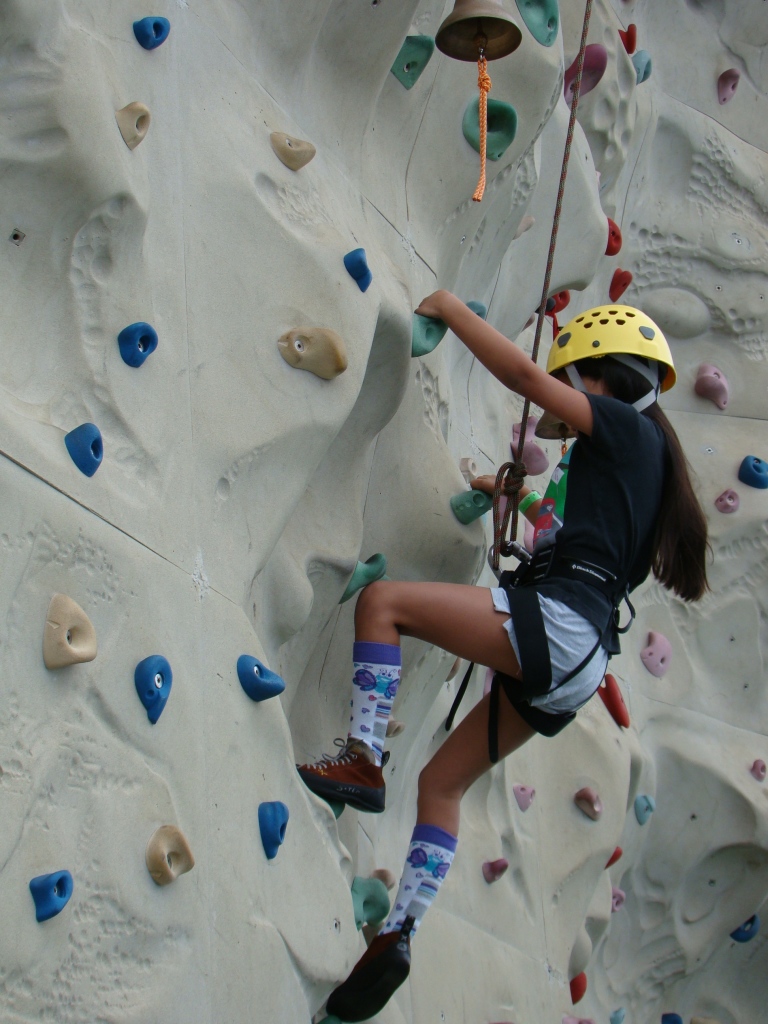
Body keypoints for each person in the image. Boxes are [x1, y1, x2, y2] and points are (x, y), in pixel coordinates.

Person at [297, 291, 709, 1022]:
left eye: (569, 377)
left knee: (382, 604)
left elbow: (521, 377)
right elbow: (570, 551)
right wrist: (505, 500)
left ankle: (362, 755)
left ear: (596, 374)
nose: (559, 398)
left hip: (558, 627)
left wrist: (452, 311)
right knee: (443, 786)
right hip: (580, 662)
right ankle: (400, 931)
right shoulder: (642, 471)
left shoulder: (618, 425)